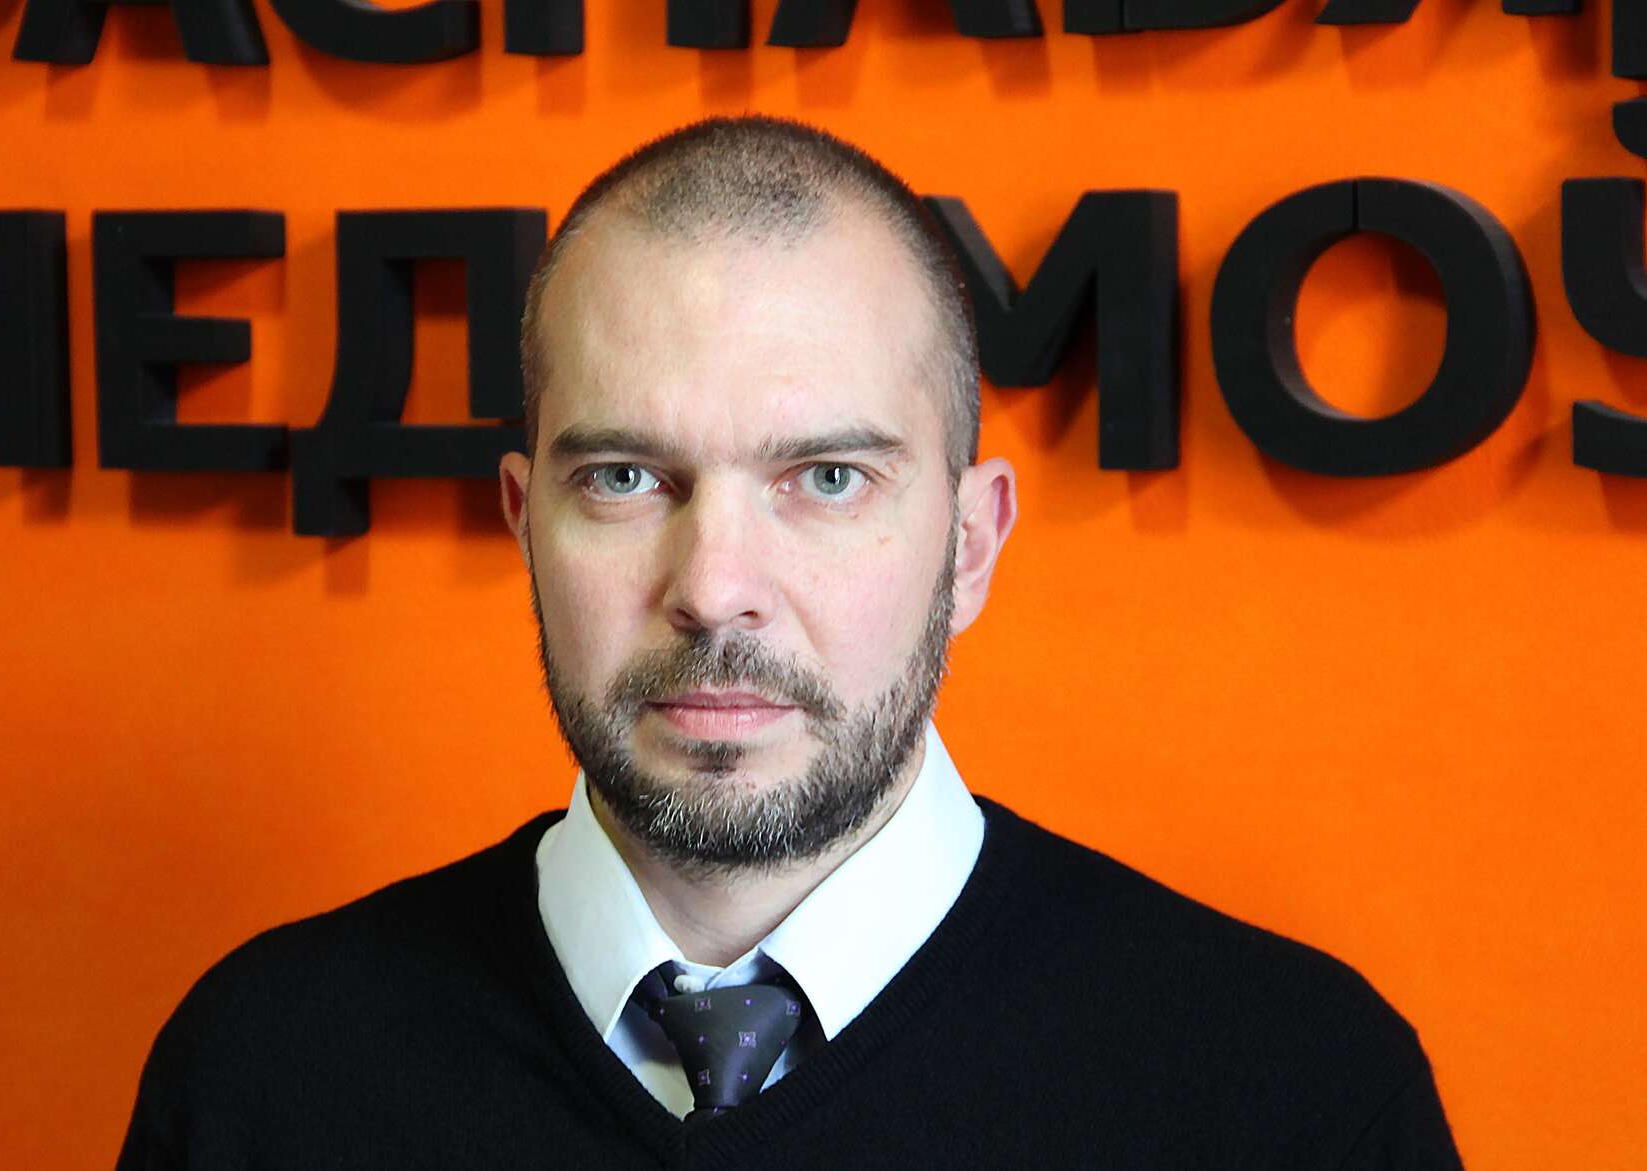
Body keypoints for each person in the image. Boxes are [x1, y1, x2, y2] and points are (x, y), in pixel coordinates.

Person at [114, 115, 1465, 1169]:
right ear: (526, 523)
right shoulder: (261, 1077)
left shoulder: (1295, 1097)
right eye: (626, 478)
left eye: (826, 479)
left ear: (971, 545)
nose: (715, 590)